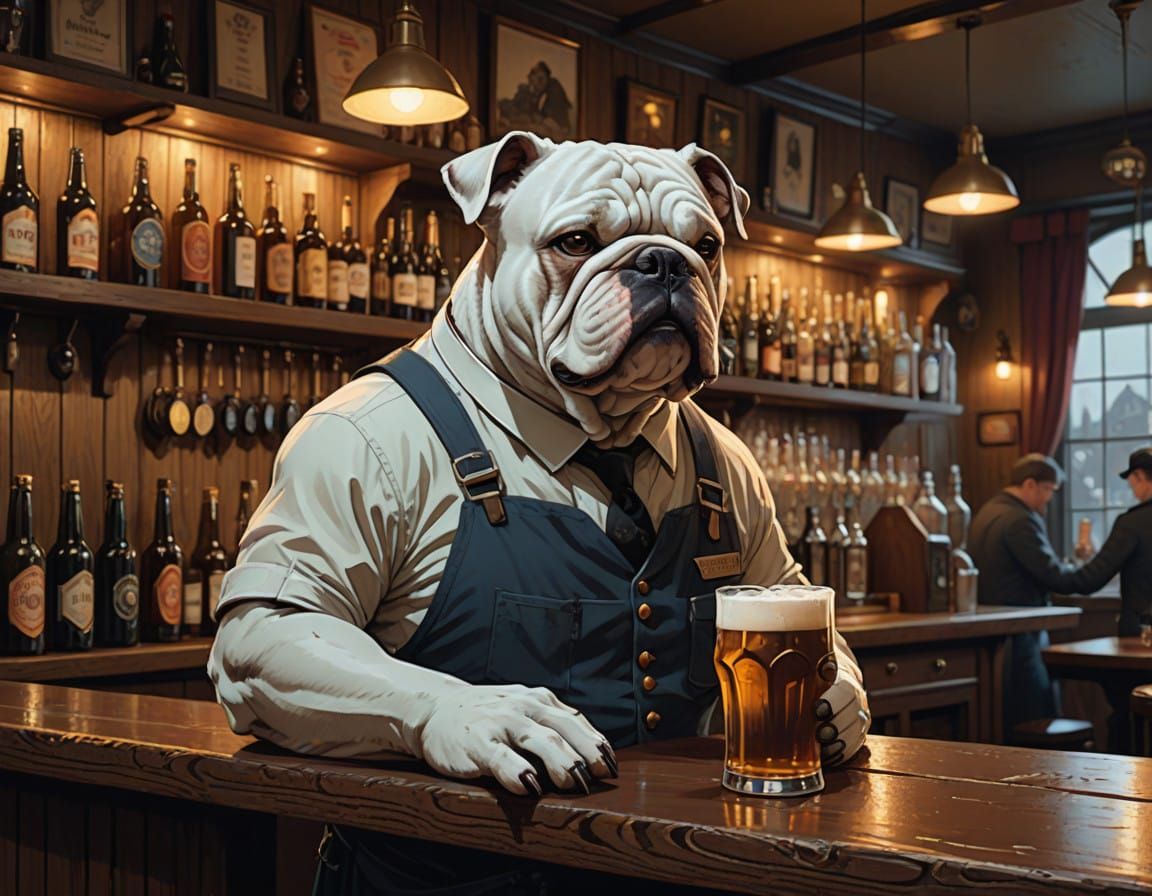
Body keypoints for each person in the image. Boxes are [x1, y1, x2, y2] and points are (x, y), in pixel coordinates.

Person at [207, 135, 869, 895]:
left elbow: (794, 609)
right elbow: (254, 649)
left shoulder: (720, 459)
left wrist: (836, 680)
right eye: (578, 243)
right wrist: (430, 711)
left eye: (699, 250)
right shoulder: (372, 434)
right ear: (491, 219)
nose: (662, 274)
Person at [968, 454, 1095, 734]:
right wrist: (1091, 570)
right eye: (1048, 490)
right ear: (1030, 484)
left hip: (992, 634)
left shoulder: (987, 511)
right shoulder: (1020, 520)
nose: (1049, 499)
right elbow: (1051, 574)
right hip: (1022, 634)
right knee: (1033, 714)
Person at [1062, 447, 1152, 636]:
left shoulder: (1132, 523)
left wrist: (1054, 577)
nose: (1131, 488)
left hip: (1144, 631)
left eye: (1131, 482)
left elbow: (1093, 578)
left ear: (1139, 476)